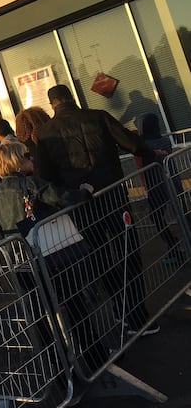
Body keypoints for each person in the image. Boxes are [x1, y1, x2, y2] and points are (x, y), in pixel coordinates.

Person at [36, 83, 161, 336]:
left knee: (101, 258)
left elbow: (45, 175)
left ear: (52, 104)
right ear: (70, 98)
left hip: (82, 204)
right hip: (114, 195)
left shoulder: (45, 133)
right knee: (128, 251)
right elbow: (131, 143)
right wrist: (152, 152)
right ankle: (137, 314)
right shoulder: (98, 117)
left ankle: (120, 309)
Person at [0, 141, 106, 373]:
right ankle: (95, 358)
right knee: (73, 304)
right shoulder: (30, 183)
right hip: (49, 255)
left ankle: (61, 369)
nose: (32, 159)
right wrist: (85, 192)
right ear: (17, 161)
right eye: (27, 155)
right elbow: (64, 198)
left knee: (42, 315)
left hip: (20, 260)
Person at [136, 112, 185, 263]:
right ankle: (185, 241)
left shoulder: (144, 146)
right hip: (173, 182)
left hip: (156, 185)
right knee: (182, 212)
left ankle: (172, 244)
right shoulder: (164, 141)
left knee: (156, 215)